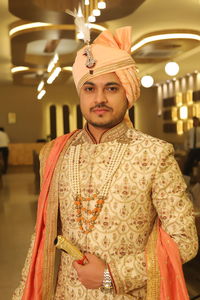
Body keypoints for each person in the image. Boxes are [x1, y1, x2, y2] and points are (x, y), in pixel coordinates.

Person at [13, 27, 198, 300]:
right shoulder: (54, 153)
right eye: (90, 88)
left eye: (111, 88)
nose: (99, 98)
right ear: (80, 94)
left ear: (128, 93)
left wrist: (112, 274)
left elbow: (185, 240)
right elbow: (41, 236)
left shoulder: (155, 154)